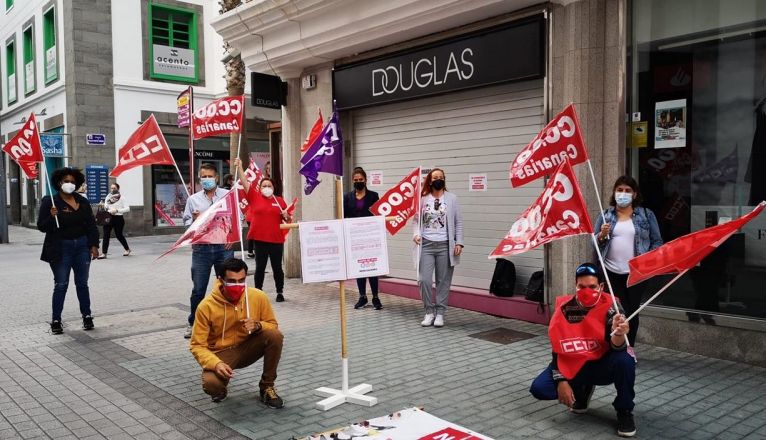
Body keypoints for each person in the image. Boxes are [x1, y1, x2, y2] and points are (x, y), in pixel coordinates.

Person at [529, 263, 636, 438]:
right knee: (540, 388)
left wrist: (619, 333)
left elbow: (618, 346)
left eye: (592, 287)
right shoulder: (566, 308)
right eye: (582, 287)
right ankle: (582, 390)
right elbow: (557, 350)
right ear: (575, 286)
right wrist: (561, 380)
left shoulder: (612, 306)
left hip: (602, 363)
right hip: (574, 362)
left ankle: (624, 411)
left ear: (601, 286)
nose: (587, 291)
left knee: (625, 360)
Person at [190, 258, 284, 407]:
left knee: (275, 336)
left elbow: (273, 326)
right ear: (220, 280)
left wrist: (258, 326)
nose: (237, 285)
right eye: (232, 281)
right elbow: (197, 345)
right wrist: (215, 364)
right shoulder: (206, 306)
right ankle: (220, 390)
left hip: (249, 346)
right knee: (212, 385)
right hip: (221, 353)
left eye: (241, 280)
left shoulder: (258, 296)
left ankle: (267, 386)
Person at [595, 175, 662, 345]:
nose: (623, 194)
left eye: (627, 190)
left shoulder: (646, 215)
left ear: (634, 194)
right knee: (617, 311)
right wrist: (601, 235)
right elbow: (594, 242)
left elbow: (657, 241)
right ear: (614, 192)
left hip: (636, 273)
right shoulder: (605, 215)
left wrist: (648, 261)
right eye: (619, 190)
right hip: (611, 271)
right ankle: (614, 345)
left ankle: (628, 348)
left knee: (632, 311)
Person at [37, 167, 99, 334]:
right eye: (66, 181)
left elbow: (91, 225)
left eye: (73, 182)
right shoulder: (50, 201)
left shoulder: (83, 201)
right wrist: (51, 216)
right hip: (60, 248)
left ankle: (87, 316)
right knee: (61, 284)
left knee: (82, 283)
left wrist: (94, 245)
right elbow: (41, 226)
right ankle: (56, 320)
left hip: (81, 246)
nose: (70, 184)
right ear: (59, 183)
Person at [182, 163, 235, 338]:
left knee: (228, 286)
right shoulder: (193, 200)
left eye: (209, 176)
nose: (206, 180)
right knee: (199, 289)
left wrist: (231, 236)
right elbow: (186, 224)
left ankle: (228, 322)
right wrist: (196, 221)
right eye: (203, 177)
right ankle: (194, 323)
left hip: (223, 247)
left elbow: (237, 218)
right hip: (202, 249)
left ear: (217, 178)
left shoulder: (227, 196)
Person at [413, 168, 463, 328]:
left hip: (445, 245)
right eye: (435, 177)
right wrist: (415, 234)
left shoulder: (452, 198)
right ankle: (429, 312)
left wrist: (459, 242)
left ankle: (440, 313)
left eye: (441, 177)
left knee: (443, 281)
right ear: (430, 180)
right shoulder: (422, 199)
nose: (438, 179)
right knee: (424, 280)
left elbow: (458, 222)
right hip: (426, 244)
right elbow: (415, 221)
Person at [235, 159, 290, 303]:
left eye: (269, 185)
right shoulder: (254, 197)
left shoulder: (279, 201)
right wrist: (240, 167)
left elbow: (288, 220)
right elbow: (245, 182)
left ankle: (280, 291)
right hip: (259, 240)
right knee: (260, 268)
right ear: (260, 187)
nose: (266, 187)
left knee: (277, 268)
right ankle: (258, 292)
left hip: (276, 240)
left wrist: (286, 215)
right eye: (264, 185)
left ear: (273, 187)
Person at [344, 167, 381, 310]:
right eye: (356, 180)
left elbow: (378, 215)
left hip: (370, 236)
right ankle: (362, 297)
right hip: (355, 237)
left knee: (372, 267)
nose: (358, 182)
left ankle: (375, 297)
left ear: (365, 180)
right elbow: (344, 216)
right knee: (359, 266)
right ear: (352, 181)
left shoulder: (373, 196)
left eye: (361, 180)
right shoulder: (347, 197)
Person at [98, 183, 131, 258]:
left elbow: (127, 209)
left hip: (118, 218)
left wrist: (117, 210)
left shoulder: (122, 198)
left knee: (119, 235)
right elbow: (106, 205)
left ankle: (127, 249)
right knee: (106, 235)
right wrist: (103, 206)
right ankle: (104, 253)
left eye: (114, 188)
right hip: (108, 217)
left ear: (118, 189)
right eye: (111, 188)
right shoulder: (108, 196)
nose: (112, 190)